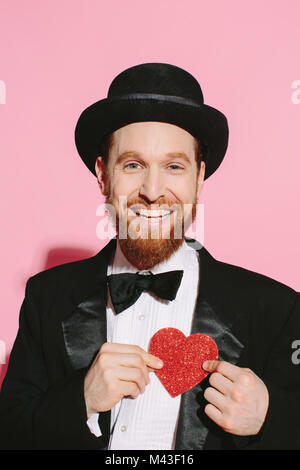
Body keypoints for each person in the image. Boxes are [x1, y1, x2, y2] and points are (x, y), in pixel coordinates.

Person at [0, 63, 299, 451]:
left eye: (174, 166)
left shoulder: (277, 308)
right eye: (133, 165)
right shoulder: (46, 297)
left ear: (199, 176)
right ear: (103, 175)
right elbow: (10, 432)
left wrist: (270, 420)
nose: (153, 191)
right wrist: (81, 400)